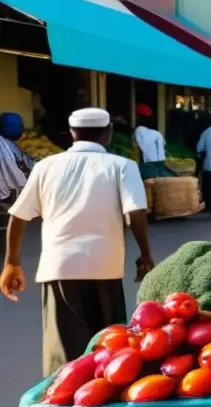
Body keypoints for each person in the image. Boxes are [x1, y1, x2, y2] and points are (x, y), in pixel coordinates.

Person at [0, 108, 153, 376]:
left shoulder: (46, 166)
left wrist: (12, 262)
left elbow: (18, 216)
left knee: (64, 357)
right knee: (110, 353)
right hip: (106, 267)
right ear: (107, 134)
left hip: (59, 269)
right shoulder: (123, 166)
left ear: (72, 133)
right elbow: (136, 214)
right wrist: (145, 255)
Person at [133, 104, 171, 179]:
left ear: (140, 117)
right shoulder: (157, 133)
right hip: (161, 166)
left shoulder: (139, 130)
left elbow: (138, 149)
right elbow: (163, 150)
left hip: (147, 166)